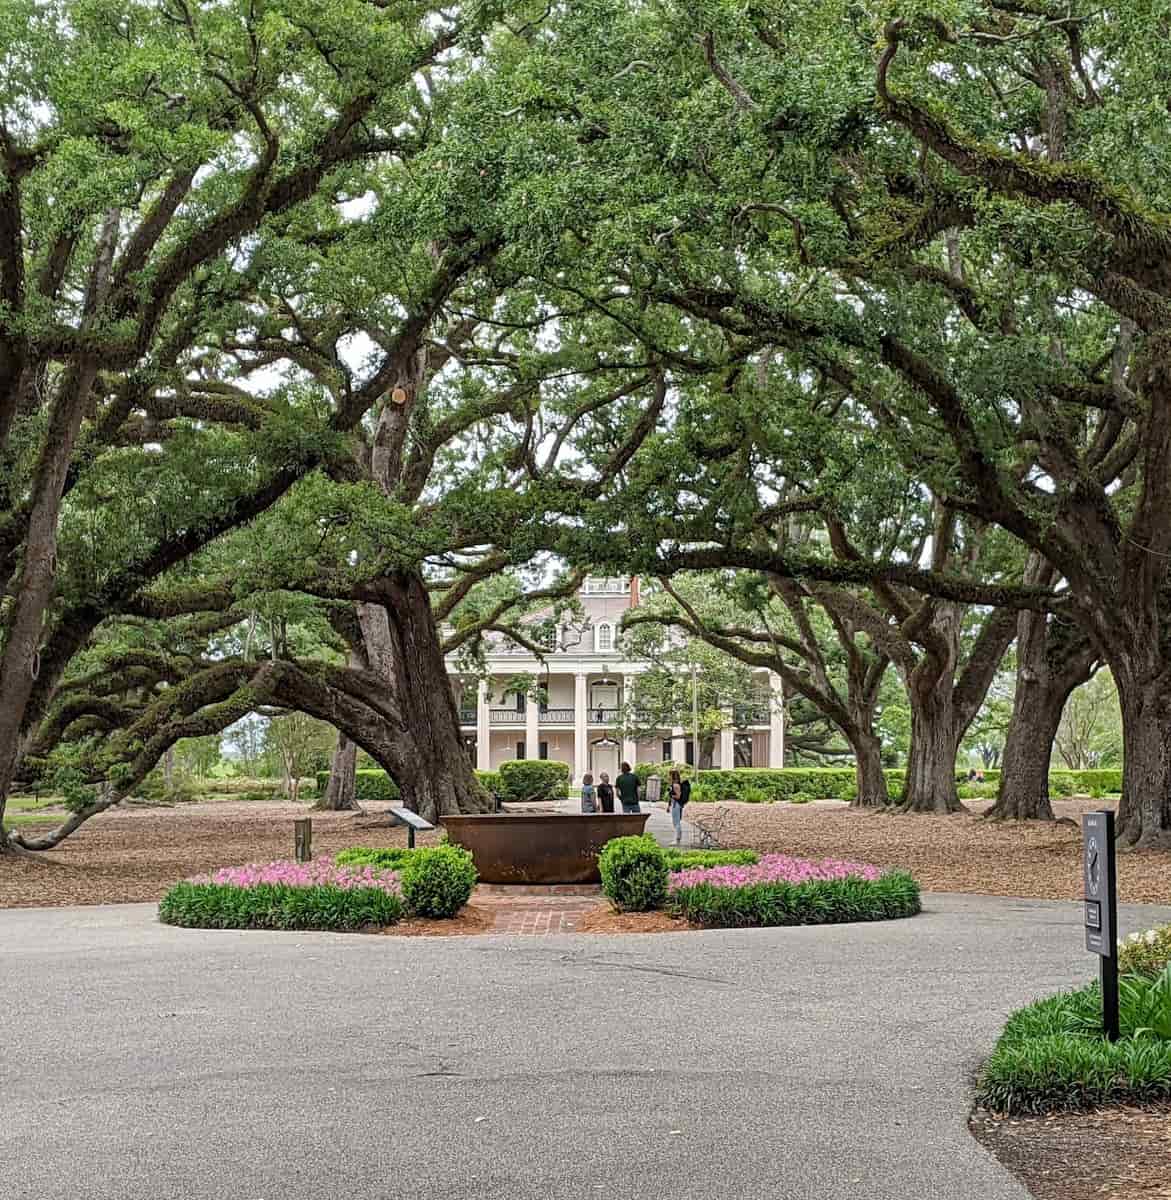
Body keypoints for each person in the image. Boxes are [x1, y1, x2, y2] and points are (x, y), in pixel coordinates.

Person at [668, 769, 689, 845]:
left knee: (676, 822)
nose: (668, 777)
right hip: (675, 804)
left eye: (670, 775)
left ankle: (677, 840)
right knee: (676, 822)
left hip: (676, 805)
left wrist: (671, 795)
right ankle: (677, 839)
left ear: (672, 776)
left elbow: (678, 796)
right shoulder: (675, 784)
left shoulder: (676, 785)